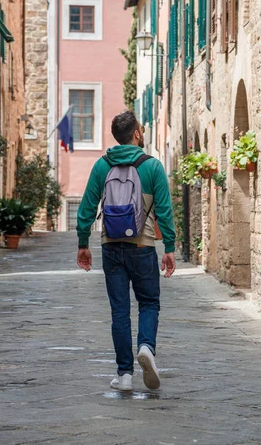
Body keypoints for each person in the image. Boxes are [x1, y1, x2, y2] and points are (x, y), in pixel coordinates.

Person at [76, 110, 176, 391]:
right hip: (143, 246)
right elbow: (165, 211)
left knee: (119, 310)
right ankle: (146, 347)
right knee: (149, 303)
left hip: (111, 246)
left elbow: (86, 208)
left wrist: (83, 243)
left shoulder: (101, 166)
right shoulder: (152, 167)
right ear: (136, 134)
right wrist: (169, 247)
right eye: (141, 129)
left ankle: (124, 375)